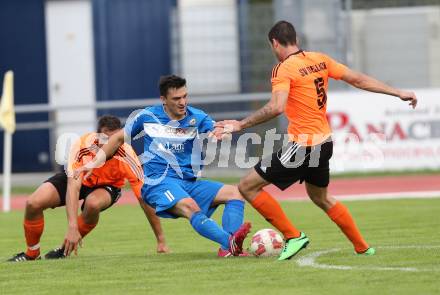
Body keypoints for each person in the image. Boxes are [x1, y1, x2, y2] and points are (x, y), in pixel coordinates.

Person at [214, 20, 418, 260]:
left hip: (304, 145)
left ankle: (293, 236)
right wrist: (397, 92)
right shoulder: (319, 59)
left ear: (275, 43)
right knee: (321, 197)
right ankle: (362, 247)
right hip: (324, 142)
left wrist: (240, 125)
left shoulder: (283, 68)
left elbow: (276, 107)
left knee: (247, 186)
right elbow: (358, 79)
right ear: (296, 40)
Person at [75, 75, 251, 257]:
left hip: (189, 183)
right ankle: (231, 243)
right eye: (176, 99)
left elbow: (215, 128)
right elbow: (118, 138)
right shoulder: (147, 116)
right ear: (163, 100)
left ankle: (228, 248)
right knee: (191, 207)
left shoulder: (196, 116)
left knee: (235, 193)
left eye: (185, 96)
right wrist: (96, 161)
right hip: (158, 183)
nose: (183, 102)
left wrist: (221, 132)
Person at [8, 115, 169, 262]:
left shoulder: (127, 156)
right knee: (33, 203)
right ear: (97, 136)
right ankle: (32, 254)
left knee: (92, 204)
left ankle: (64, 250)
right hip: (79, 179)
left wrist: (161, 240)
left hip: (108, 186)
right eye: (106, 139)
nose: (111, 144)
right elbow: (73, 186)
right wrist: (72, 226)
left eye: (115, 139)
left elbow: (143, 198)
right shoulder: (83, 145)